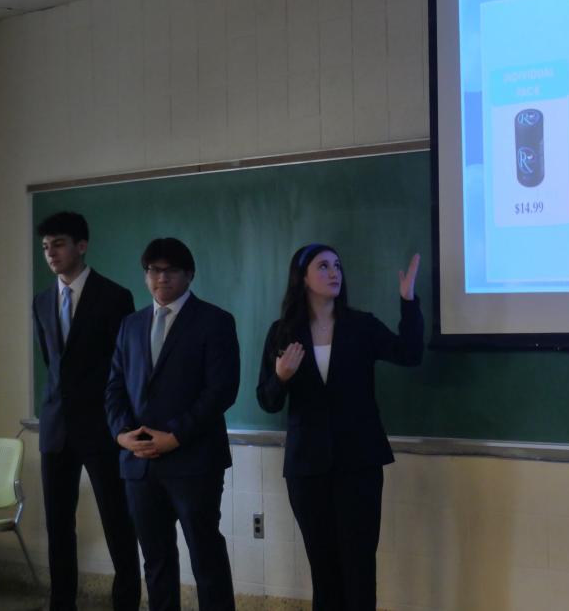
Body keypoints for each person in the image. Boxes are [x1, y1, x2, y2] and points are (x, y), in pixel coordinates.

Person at [257, 244, 424, 610]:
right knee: (324, 568)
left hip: (359, 462)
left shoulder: (361, 325)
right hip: (307, 467)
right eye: (323, 266)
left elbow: (410, 354)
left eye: (337, 266)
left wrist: (408, 301)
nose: (334, 272)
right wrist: (281, 376)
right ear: (303, 278)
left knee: (359, 565)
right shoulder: (283, 333)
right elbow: (267, 401)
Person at [104, 238, 239, 611]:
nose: (161, 277)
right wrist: (122, 434)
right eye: (153, 270)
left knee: (205, 556)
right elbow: (114, 386)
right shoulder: (130, 325)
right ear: (145, 275)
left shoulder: (215, 321)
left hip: (194, 461)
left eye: (171, 270)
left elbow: (221, 391)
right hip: (139, 463)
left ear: (189, 274)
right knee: (156, 560)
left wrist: (176, 436)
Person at [32, 211, 141, 611]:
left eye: (58, 244)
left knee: (117, 521)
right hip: (56, 428)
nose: (51, 253)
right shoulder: (42, 301)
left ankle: (126, 602)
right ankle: (62, 603)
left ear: (82, 245)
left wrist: (120, 422)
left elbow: (124, 367)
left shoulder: (114, 297)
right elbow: (53, 364)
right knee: (59, 525)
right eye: (46, 247)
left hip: (101, 427)